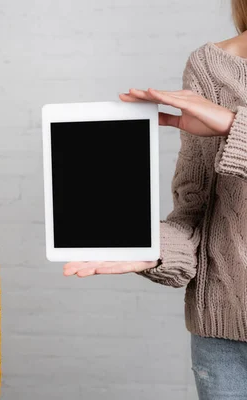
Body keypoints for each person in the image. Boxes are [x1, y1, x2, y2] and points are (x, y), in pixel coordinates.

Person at [63, 1, 247, 398]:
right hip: (226, 342)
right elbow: (196, 213)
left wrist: (235, 126)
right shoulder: (210, 66)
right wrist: (154, 249)